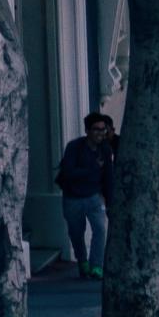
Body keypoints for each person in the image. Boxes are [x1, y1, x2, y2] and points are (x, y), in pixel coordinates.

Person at [55, 111, 117, 280]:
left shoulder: (105, 149)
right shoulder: (74, 147)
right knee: (76, 233)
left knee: (99, 229)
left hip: (94, 196)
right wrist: (92, 169)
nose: (100, 133)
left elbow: (109, 176)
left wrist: (110, 201)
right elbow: (68, 171)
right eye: (96, 129)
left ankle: (96, 266)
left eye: (103, 129)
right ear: (87, 130)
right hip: (72, 197)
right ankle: (82, 261)